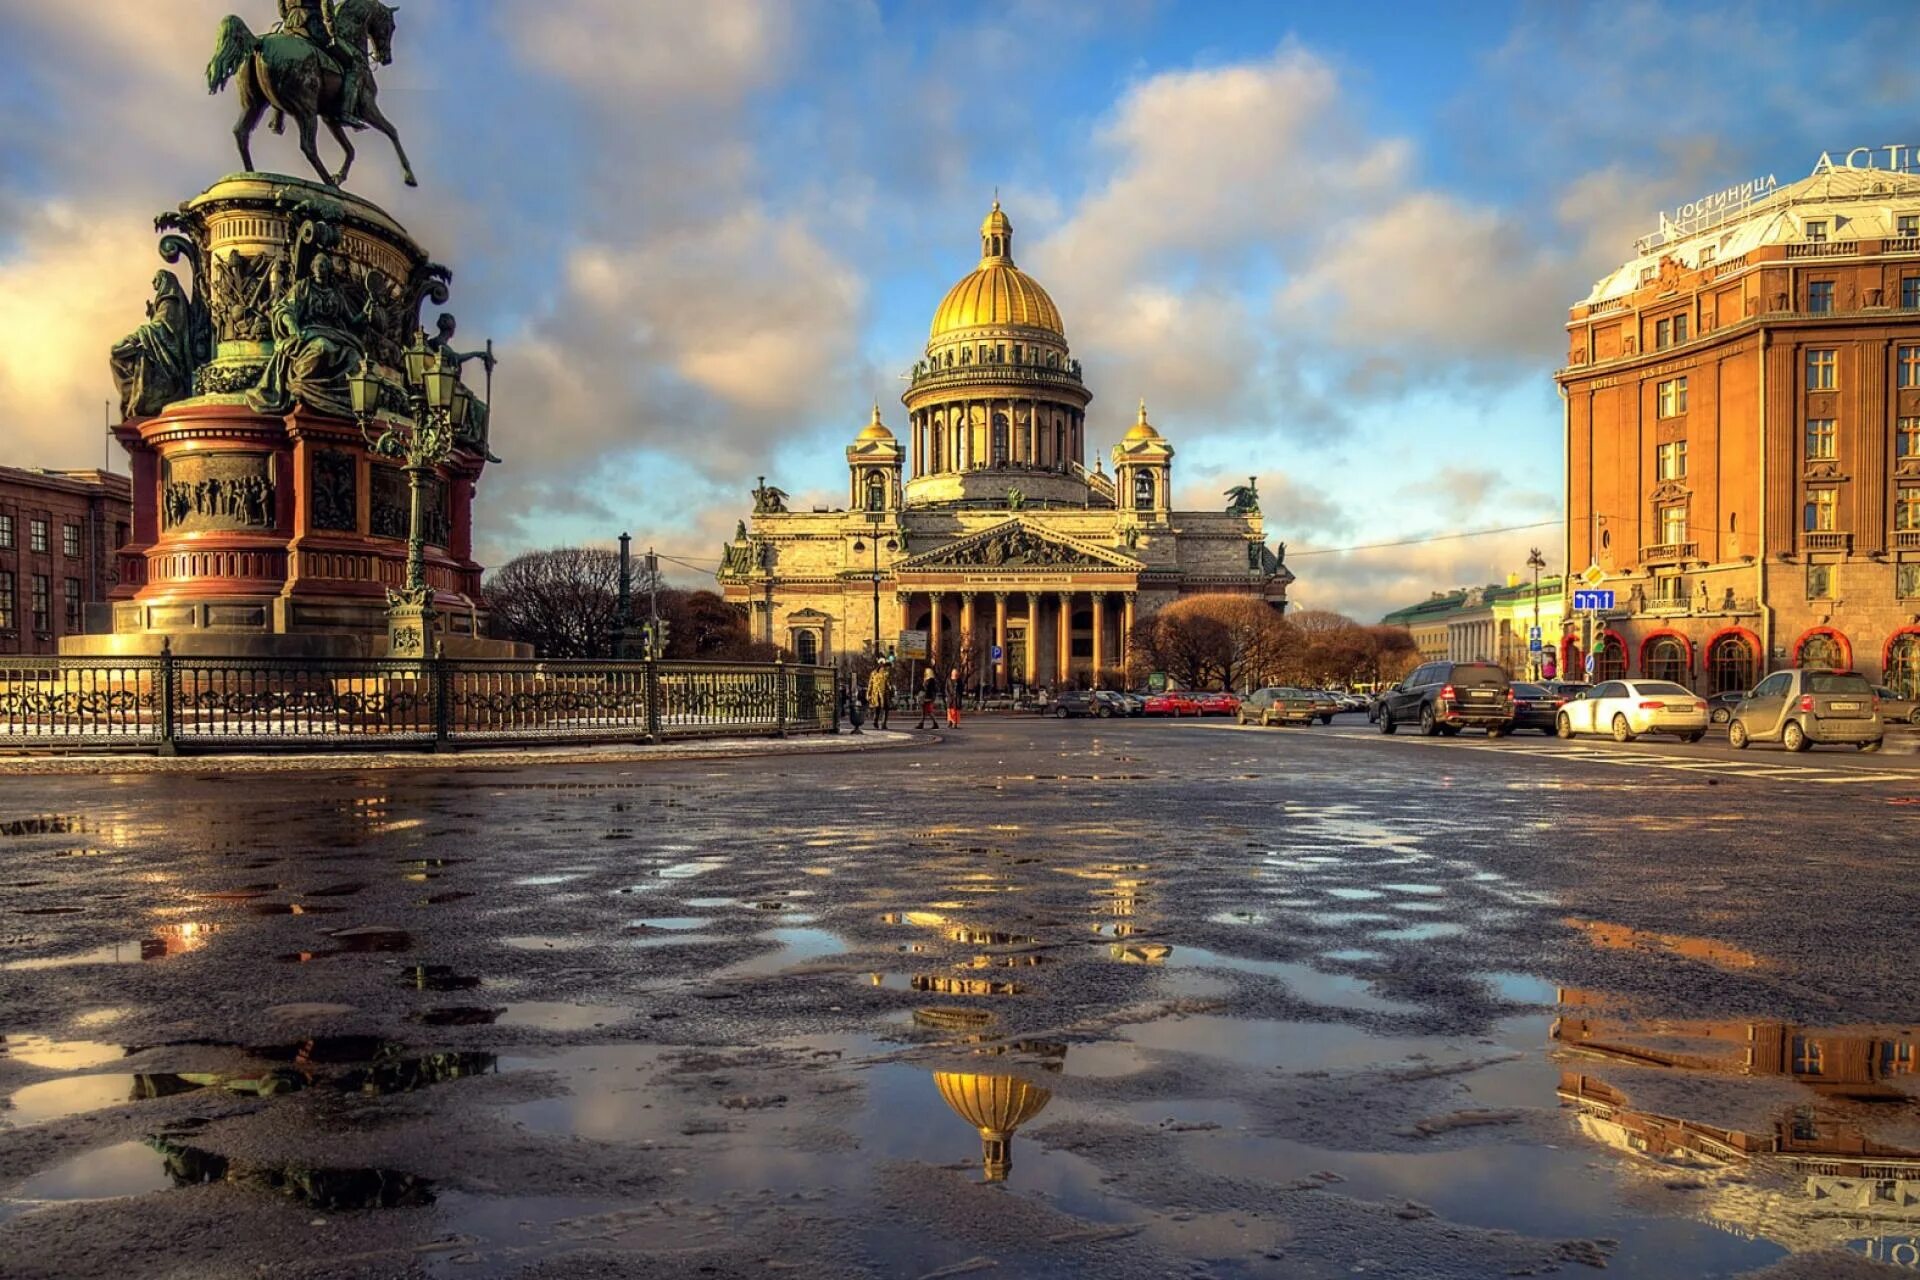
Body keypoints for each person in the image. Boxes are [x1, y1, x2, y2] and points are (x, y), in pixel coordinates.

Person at [867, 660, 892, 732]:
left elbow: (870, 684)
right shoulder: (885, 673)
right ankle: (883, 724)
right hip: (883, 693)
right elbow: (888, 684)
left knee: (877, 708)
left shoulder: (874, 673)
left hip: (875, 693)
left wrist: (868, 693)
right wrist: (890, 688)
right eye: (888, 667)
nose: (889, 668)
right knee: (886, 708)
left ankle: (875, 721)